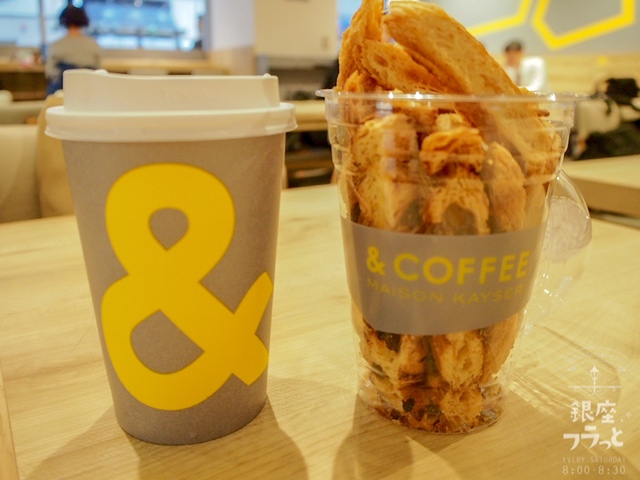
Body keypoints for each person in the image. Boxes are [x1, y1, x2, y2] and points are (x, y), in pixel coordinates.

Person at [45, 5, 101, 95]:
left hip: (63, 90)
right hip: (88, 90)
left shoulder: (56, 45)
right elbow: (99, 70)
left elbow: (50, 72)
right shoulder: (93, 45)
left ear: (63, 20)